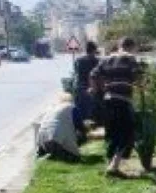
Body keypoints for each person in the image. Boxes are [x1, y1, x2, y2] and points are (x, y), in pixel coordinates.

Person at [93, 36, 143, 177]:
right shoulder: (129, 58)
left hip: (108, 100)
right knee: (127, 133)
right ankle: (114, 166)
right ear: (131, 47)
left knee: (112, 133)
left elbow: (93, 75)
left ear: (119, 45)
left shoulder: (106, 59)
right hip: (123, 100)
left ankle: (110, 165)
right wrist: (141, 86)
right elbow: (138, 75)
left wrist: (99, 91)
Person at [36, 94, 85, 163]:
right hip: (54, 140)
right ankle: (53, 156)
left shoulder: (52, 108)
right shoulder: (71, 107)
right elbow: (80, 127)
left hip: (41, 140)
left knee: (53, 149)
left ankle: (49, 155)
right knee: (75, 159)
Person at [72, 41, 100, 125]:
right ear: (94, 50)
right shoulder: (96, 61)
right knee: (90, 111)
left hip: (79, 87)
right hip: (90, 88)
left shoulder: (78, 60)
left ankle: (81, 128)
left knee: (80, 109)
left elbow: (76, 72)